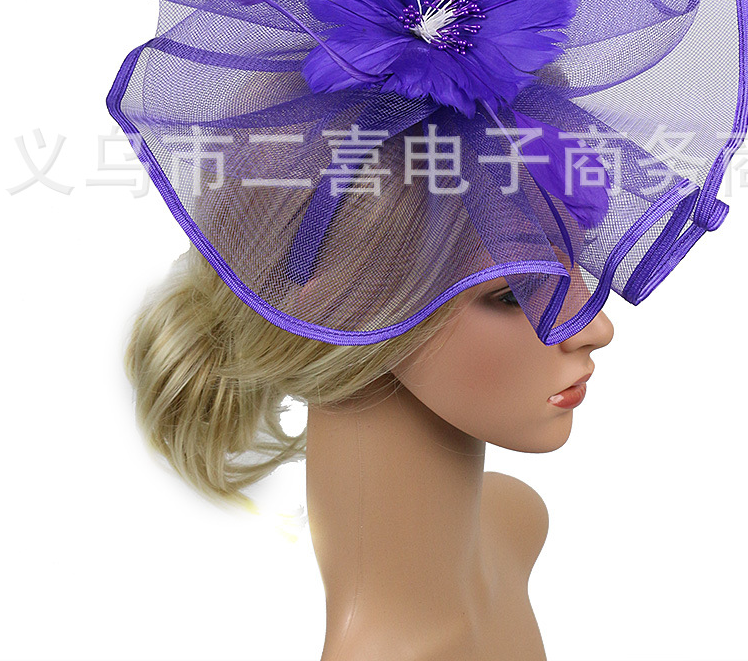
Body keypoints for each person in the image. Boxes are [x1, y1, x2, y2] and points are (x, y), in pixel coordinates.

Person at [124, 128, 614, 660]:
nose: (597, 327)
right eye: (514, 293)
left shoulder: (514, 519)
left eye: (575, 263)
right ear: (348, 309)